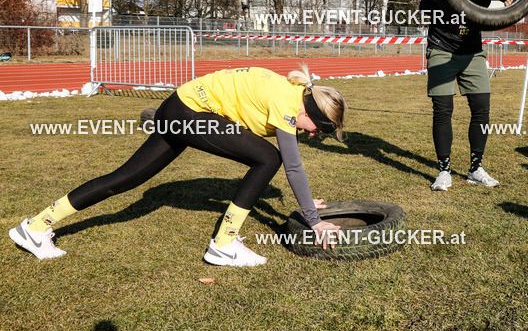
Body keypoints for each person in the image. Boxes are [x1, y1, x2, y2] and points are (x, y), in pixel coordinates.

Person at [9, 65, 347, 267]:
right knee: (268, 158)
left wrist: (307, 203)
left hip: (179, 108)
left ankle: (35, 227)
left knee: (125, 178)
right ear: (308, 112)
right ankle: (224, 245)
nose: (313, 135)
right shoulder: (286, 102)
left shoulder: (294, 94)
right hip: (188, 113)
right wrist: (313, 220)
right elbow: (293, 165)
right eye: (317, 130)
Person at [418, 0, 517, 191]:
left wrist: (509, 3)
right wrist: (449, 7)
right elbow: (423, 11)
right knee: (443, 110)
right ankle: (444, 171)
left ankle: (475, 169)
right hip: (442, 50)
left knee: (482, 109)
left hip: (472, 53)